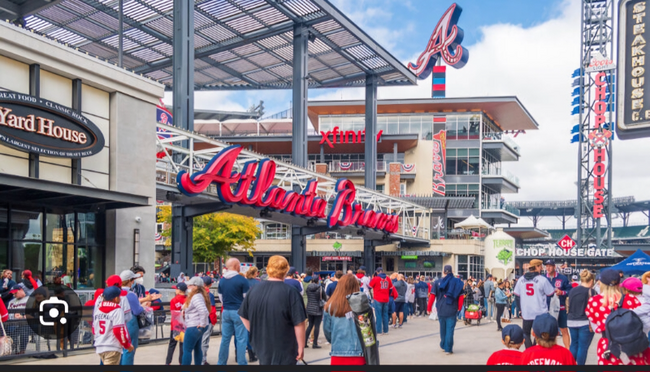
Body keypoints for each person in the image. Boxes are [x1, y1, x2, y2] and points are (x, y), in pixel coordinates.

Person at [238, 255, 307, 365]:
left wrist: (256, 331)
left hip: (262, 345)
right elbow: (299, 322)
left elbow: (243, 315)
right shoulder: (291, 292)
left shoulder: (254, 290)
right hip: (285, 346)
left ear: (268, 269)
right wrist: (301, 346)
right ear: (286, 270)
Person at [323, 274, 365, 365]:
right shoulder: (362, 306)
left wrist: (336, 340)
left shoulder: (330, 306)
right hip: (358, 354)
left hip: (337, 354)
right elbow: (367, 331)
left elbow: (327, 331)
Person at [513, 259, 556, 349]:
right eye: (540, 266)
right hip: (540, 312)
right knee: (539, 334)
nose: (542, 268)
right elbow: (551, 294)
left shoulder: (521, 280)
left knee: (526, 333)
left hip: (527, 312)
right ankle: (534, 349)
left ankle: (529, 351)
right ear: (537, 267)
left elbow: (517, 296)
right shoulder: (542, 279)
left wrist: (520, 309)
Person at [586, 268, 641, 335]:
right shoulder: (631, 298)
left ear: (601, 283)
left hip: (608, 342)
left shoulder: (594, 301)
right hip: (630, 341)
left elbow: (595, 327)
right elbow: (640, 321)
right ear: (619, 283)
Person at [217, 258, 249, 365]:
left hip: (226, 311)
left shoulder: (222, 280)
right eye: (239, 265)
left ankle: (221, 363)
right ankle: (241, 363)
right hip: (239, 311)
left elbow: (221, 298)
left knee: (225, 339)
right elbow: (246, 298)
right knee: (241, 339)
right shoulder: (242, 280)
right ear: (236, 266)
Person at [93, 286, 134, 365]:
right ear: (115, 299)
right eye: (119, 296)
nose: (120, 298)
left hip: (100, 345)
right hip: (112, 346)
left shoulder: (98, 308)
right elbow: (118, 331)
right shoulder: (117, 310)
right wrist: (127, 345)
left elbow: (94, 328)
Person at [118, 270, 148, 365]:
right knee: (129, 350)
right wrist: (143, 306)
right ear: (130, 281)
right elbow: (137, 310)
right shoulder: (130, 294)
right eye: (134, 279)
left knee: (121, 350)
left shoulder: (117, 293)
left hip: (118, 322)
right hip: (130, 323)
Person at [567, 269, 596, 365]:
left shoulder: (572, 290)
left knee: (574, 344)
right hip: (585, 322)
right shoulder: (592, 291)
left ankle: (571, 365)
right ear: (591, 281)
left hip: (571, 320)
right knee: (582, 347)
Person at [433, 265, 464, 355]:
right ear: (452, 271)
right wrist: (459, 307)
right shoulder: (457, 282)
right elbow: (461, 297)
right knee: (450, 329)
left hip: (441, 308)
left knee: (442, 328)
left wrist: (429, 308)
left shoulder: (437, 282)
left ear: (443, 272)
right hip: (452, 308)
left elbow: (432, 296)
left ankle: (443, 344)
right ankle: (448, 348)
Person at [544, 259, 572, 349]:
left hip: (561, 308)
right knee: (547, 331)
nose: (548, 268)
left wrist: (562, 292)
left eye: (550, 266)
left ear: (554, 267)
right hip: (547, 309)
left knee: (564, 329)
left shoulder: (562, 278)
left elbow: (570, 291)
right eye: (546, 266)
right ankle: (548, 350)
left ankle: (568, 350)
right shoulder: (543, 278)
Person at [182, 277, 210, 365]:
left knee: (187, 350)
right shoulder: (200, 295)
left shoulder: (196, 296)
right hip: (198, 326)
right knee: (197, 348)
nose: (188, 287)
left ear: (196, 287)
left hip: (194, 326)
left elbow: (203, 311)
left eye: (190, 285)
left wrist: (202, 324)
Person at [368, 267, 396, 335]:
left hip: (378, 298)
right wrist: (387, 295)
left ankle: (379, 331)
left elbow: (369, 286)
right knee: (385, 315)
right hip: (386, 299)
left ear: (377, 272)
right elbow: (391, 289)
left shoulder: (376, 278)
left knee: (378, 315)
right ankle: (386, 330)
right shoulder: (388, 278)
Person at [166, 283, 187, 365]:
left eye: (176, 289)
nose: (175, 290)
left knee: (172, 344)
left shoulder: (174, 300)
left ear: (179, 290)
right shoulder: (188, 299)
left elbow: (173, 313)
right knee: (182, 345)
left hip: (175, 326)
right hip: (185, 326)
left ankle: (168, 362)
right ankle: (181, 362)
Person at [7, 283, 29, 354]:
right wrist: (13, 316)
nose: (14, 295)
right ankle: (9, 347)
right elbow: (7, 314)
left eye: (15, 293)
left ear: (21, 290)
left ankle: (22, 350)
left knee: (24, 326)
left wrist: (22, 316)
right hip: (11, 323)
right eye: (13, 294)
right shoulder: (11, 302)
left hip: (27, 324)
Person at [201, 276, 217, 365]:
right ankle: (202, 360)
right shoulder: (209, 295)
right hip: (208, 320)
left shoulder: (197, 293)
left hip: (198, 320)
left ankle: (199, 359)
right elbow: (212, 310)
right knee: (205, 341)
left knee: (199, 341)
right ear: (210, 285)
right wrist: (214, 321)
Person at [304, 276, 324, 349]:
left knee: (310, 325)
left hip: (309, 308)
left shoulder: (308, 288)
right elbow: (324, 297)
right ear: (317, 281)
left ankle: (305, 342)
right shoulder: (320, 288)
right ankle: (315, 343)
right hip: (318, 309)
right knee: (317, 326)